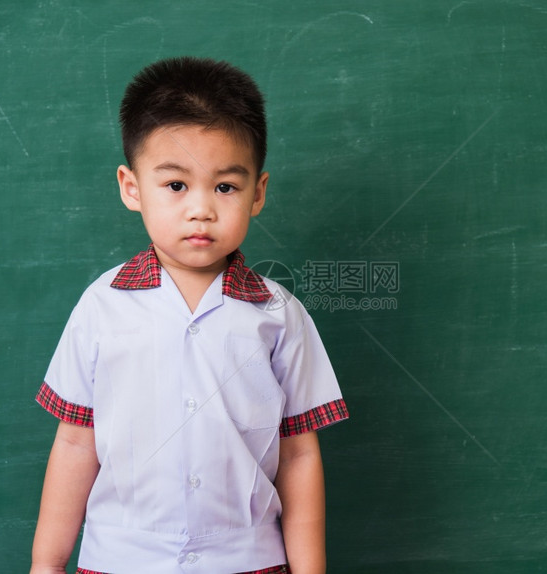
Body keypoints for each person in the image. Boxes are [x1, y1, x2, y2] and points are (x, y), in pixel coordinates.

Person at [30, 57, 348, 574]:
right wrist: (46, 564)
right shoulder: (101, 304)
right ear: (131, 187)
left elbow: (298, 456)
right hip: (119, 560)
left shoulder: (277, 312)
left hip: (247, 560)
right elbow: (73, 440)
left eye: (225, 187)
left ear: (258, 194)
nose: (201, 208)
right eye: (176, 185)